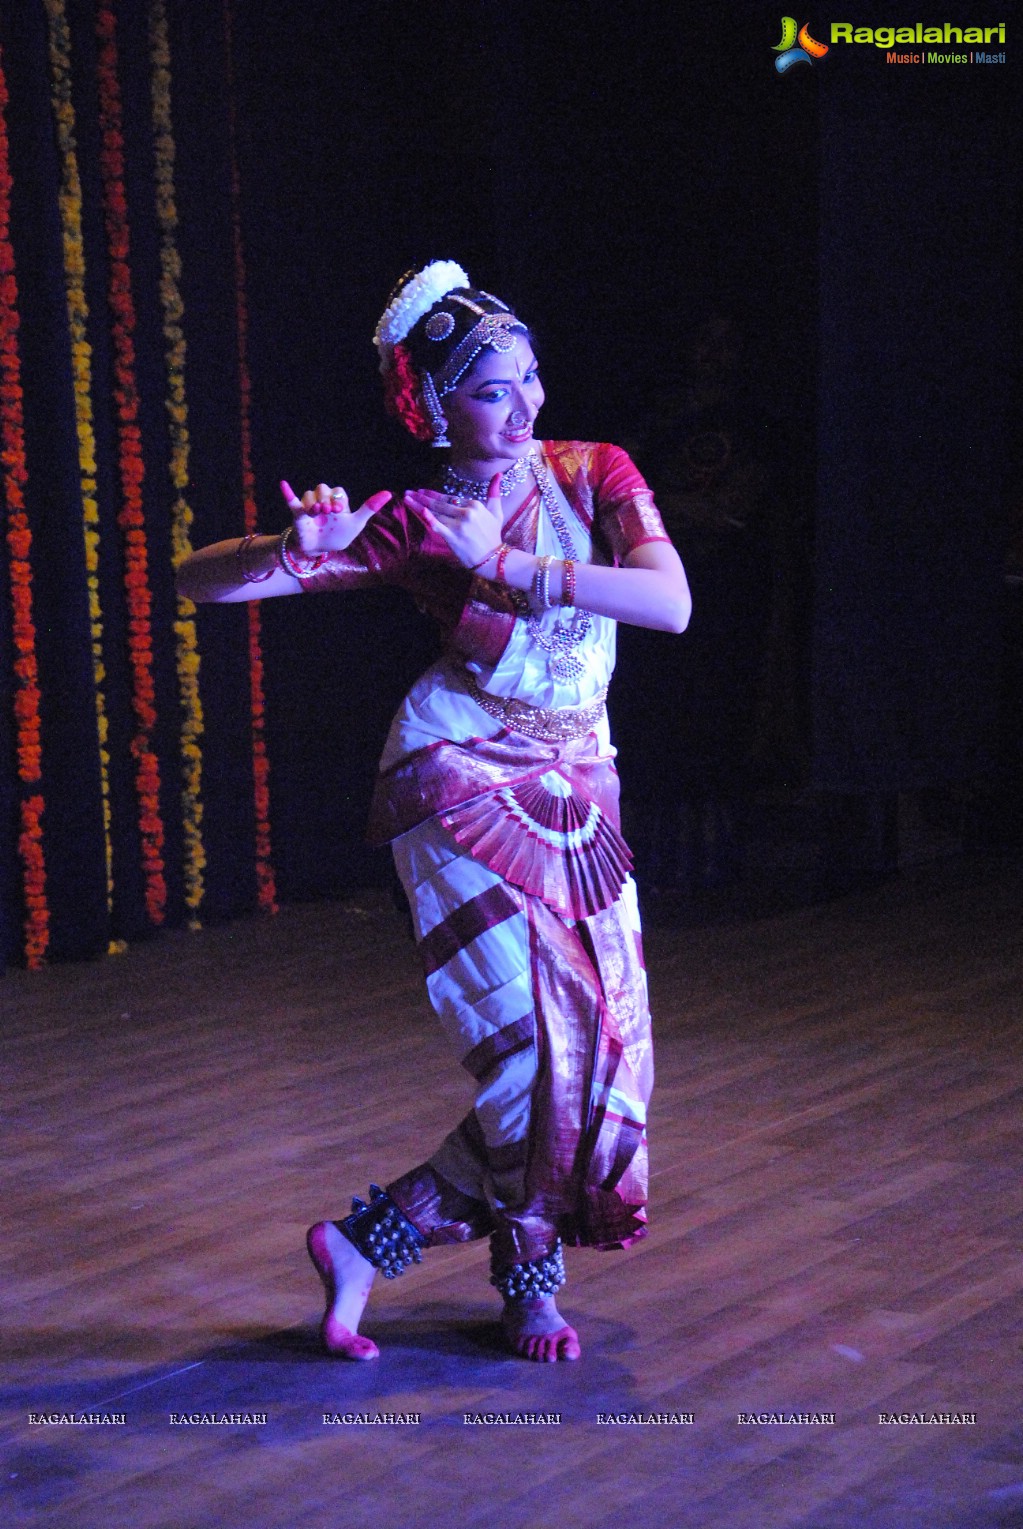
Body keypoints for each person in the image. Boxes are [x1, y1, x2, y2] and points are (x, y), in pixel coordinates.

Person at [177, 260, 691, 1363]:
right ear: (440, 407)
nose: (529, 403)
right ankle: (527, 1280)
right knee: (527, 1058)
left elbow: (671, 602)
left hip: (578, 776)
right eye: (496, 388)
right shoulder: (416, 521)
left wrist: (507, 564)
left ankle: (368, 1241)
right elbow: (195, 581)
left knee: (615, 1060)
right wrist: (292, 549)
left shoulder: (594, 471)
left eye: (532, 376)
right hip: (457, 774)